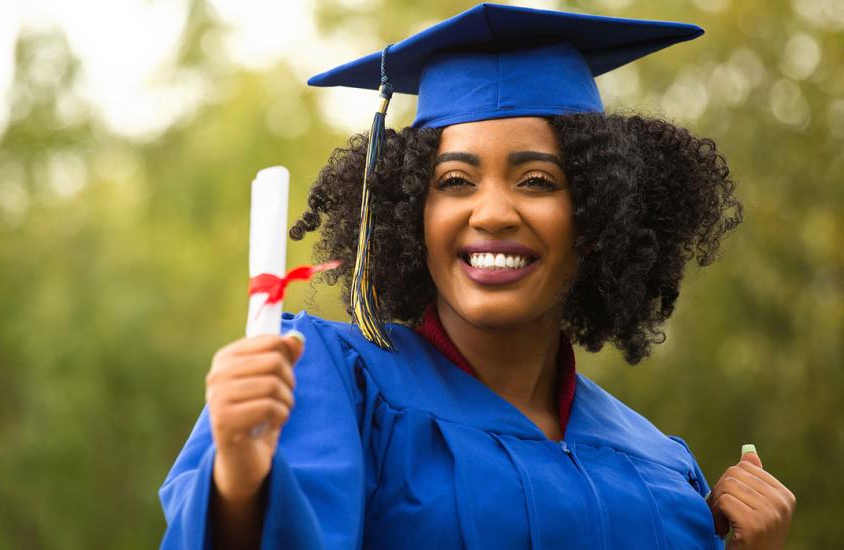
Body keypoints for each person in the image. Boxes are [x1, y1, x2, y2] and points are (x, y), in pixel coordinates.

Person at [159, 4, 795, 549]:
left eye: (537, 181)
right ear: (411, 214)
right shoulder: (333, 382)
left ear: (596, 217)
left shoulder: (663, 467)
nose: (491, 212)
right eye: (454, 182)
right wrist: (240, 484)